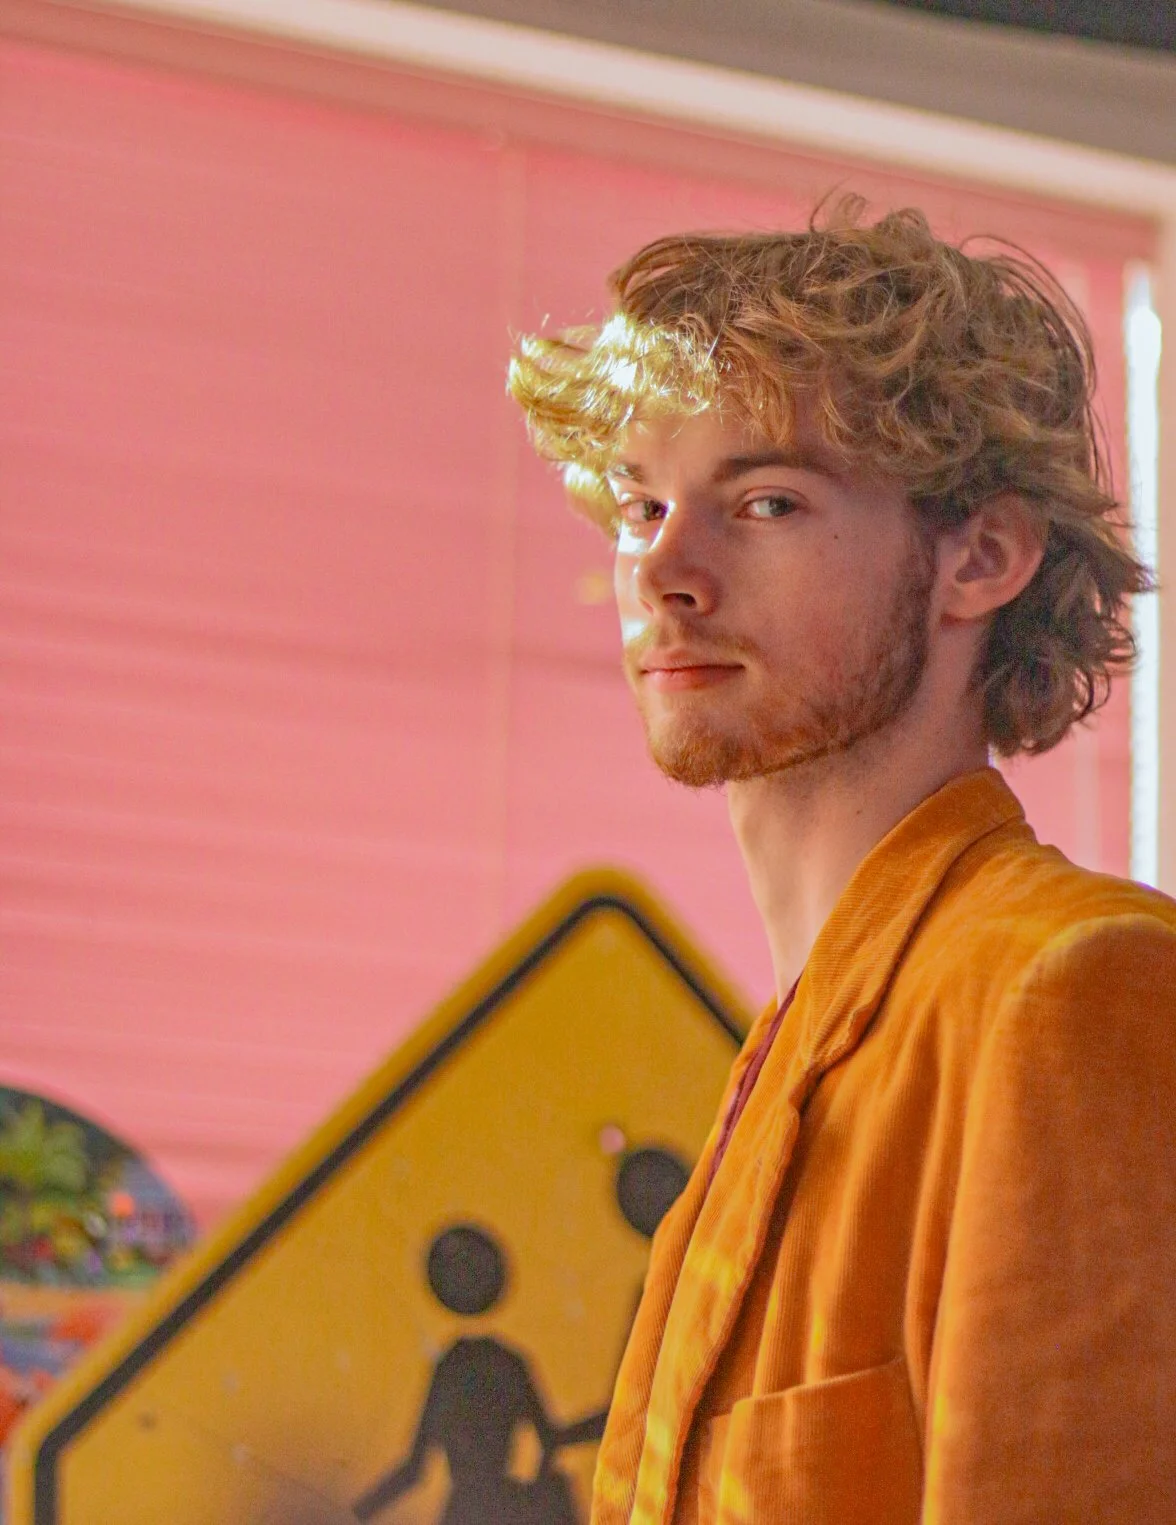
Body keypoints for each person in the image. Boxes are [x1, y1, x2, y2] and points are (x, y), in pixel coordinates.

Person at [506, 200, 1176, 1524]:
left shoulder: (1079, 994)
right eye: (642, 505)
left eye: (766, 500)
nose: (664, 572)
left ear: (979, 556)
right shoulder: (771, 1084)